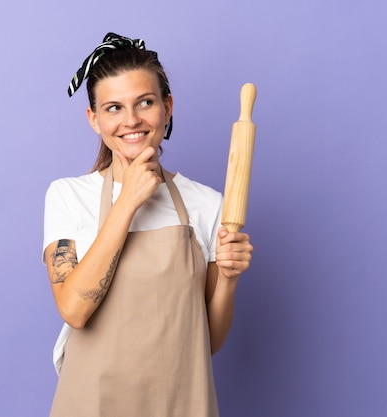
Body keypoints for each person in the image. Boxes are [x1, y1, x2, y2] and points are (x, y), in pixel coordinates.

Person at [42, 32, 253, 417]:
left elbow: (208, 340)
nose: (132, 121)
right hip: (91, 404)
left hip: (180, 402)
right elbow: (73, 310)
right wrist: (128, 203)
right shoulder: (67, 196)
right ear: (93, 119)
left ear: (167, 107)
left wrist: (229, 277)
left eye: (145, 102)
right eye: (113, 108)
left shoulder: (205, 203)